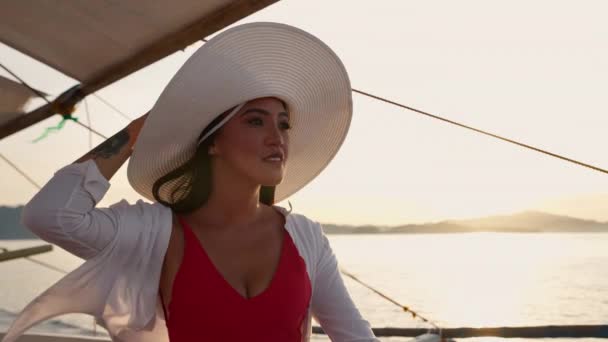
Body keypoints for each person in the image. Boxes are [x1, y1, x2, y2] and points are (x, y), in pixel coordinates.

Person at [2, 22, 378, 341]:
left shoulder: (306, 238)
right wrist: (136, 132)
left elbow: (355, 335)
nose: (276, 137)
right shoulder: (157, 234)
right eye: (255, 120)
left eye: (283, 123)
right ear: (213, 142)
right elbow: (51, 216)